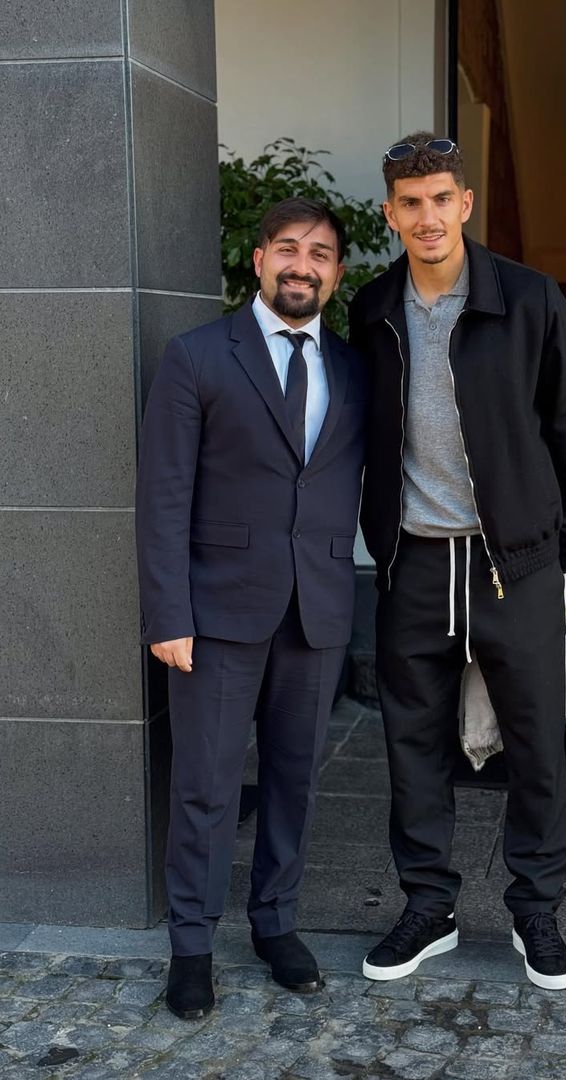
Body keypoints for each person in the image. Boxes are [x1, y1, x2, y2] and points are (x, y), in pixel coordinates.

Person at [349, 134, 566, 991]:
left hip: (512, 565)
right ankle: (429, 905)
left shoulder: (527, 300)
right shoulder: (374, 307)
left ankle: (536, 910)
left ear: (466, 204)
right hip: (414, 563)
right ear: (391, 212)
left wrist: (552, 547)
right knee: (411, 743)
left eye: (440, 199)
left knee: (538, 745)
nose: (427, 216)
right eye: (409, 203)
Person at [136, 197, 366, 1018]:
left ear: (338, 274)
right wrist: (167, 613)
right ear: (260, 260)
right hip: (215, 612)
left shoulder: (354, 366)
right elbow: (163, 496)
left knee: (295, 781)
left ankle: (276, 925)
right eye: (288, 249)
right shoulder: (198, 357)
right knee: (205, 785)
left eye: (321, 254)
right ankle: (192, 945)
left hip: (318, 609)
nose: (303, 265)